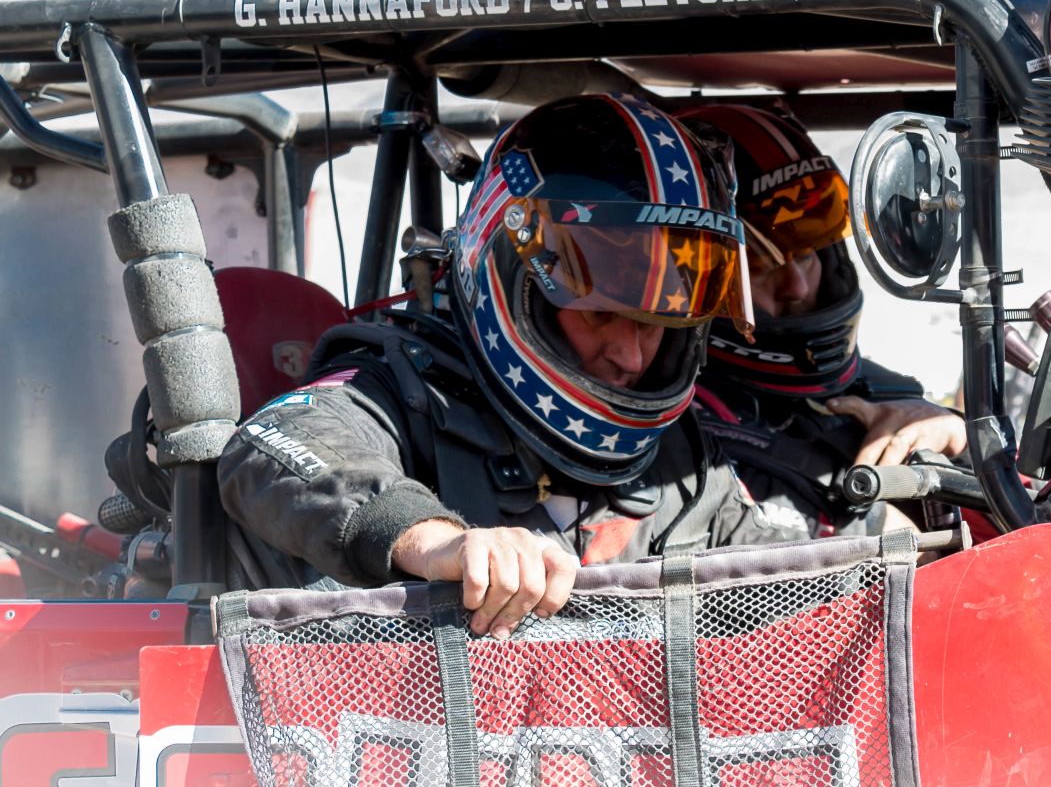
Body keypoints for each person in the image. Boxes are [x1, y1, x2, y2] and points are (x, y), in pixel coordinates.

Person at [218, 93, 806, 636]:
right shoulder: (405, 392)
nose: (630, 356)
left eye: (655, 326)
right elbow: (272, 443)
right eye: (600, 316)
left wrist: (894, 513)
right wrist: (438, 542)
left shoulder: (681, 457)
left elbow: (795, 586)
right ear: (515, 282)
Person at [675, 102, 965, 537]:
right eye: (760, 266)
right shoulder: (679, 434)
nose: (797, 286)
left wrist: (955, 440)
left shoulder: (884, 393)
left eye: (807, 254)